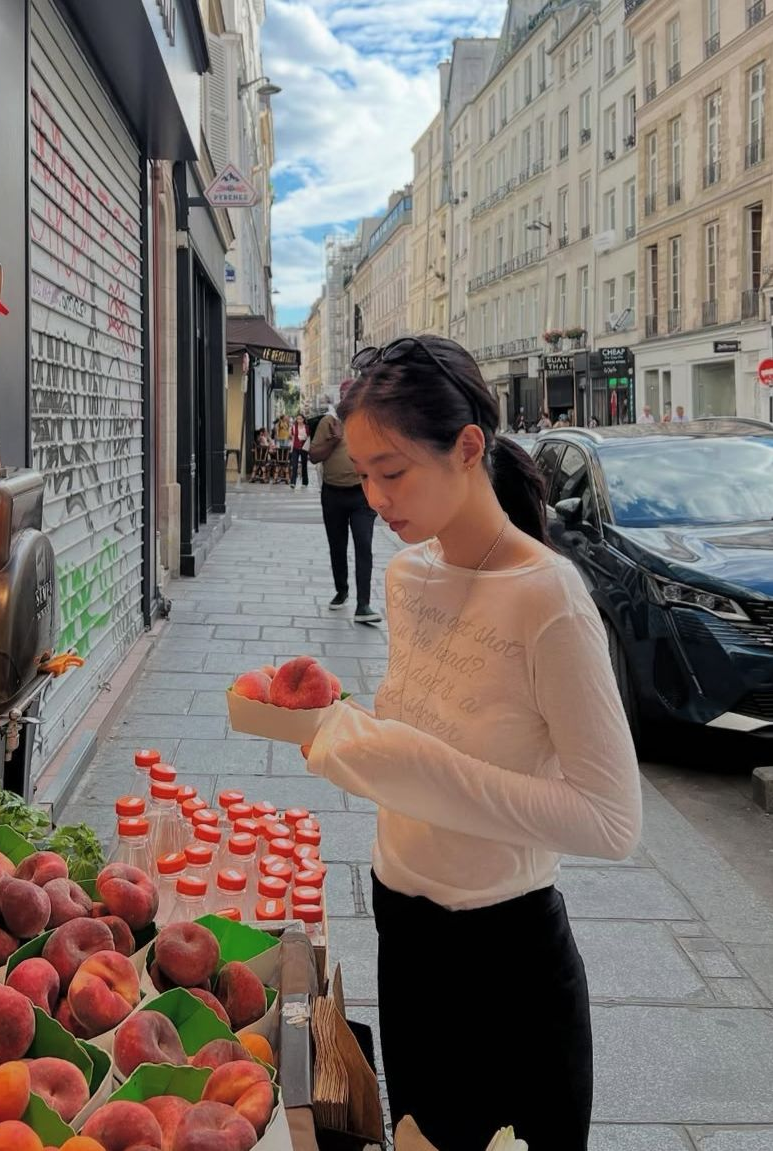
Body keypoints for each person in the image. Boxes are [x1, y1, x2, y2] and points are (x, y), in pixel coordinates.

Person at [301, 335, 642, 1151]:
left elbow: (611, 819)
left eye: (392, 470)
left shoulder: (547, 597)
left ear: (466, 448)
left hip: (508, 961)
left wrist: (415, 769)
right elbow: (426, 731)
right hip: (404, 934)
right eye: (363, 472)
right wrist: (339, 730)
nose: (375, 496)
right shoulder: (408, 576)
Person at [309, 380, 381, 623]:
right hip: (333, 494)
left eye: (351, 394)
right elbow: (313, 456)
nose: (346, 398)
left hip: (361, 495)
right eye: (343, 394)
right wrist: (334, 440)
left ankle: (364, 604)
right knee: (337, 547)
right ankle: (342, 590)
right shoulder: (328, 423)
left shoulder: (369, 422)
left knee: (364, 545)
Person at [290, 413, 311, 488]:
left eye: (300, 419)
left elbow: (309, 438)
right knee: (294, 465)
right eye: (297, 419)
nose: (299, 420)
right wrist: (291, 449)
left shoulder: (307, 427)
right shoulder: (293, 427)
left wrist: (304, 438)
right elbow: (292, 439)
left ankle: (305, 482)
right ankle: (293, 483)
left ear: (303, 419)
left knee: (304, 465)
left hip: (304, 448)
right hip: (295, 448)